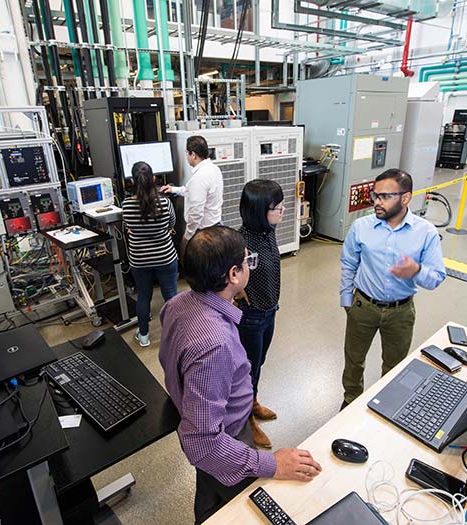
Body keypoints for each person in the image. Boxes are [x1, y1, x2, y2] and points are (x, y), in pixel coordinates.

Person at [159, 226, 322, 524]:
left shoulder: (177, 304)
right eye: (247, 261)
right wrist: (271, 463)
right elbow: (205, 443)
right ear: (233, 274)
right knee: (239, 510)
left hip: (202, 420)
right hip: (227, 439)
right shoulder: (214, 344)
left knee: (208, 501)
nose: (250, 266)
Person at [339, 169, 446, 408]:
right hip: (362, 305)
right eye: (375, 195)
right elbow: (348, 263)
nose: (377, 202)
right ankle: (350, 400)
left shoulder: (425, 232)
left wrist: (417, 270)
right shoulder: (361, 227)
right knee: (354, 360)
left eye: (385, 196)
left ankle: (384, 404)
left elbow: (437, 277)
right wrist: (346, 298)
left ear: (405, 197)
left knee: (394, 364)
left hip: (401, 312)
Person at [236, 180, 284, 449]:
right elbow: (225, 279)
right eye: (277, 207)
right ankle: (246, 421)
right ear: (257, 211)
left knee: (259, 363)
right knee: (247, 369)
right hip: (251, 316)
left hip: (270, 311)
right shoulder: (239, 242)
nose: (283, 210)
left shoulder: (269, 231)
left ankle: (253, 402)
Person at [122, 161, 179, 347]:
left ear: (132, 180)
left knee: (144, 296)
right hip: (165, 257)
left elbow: (129, 228)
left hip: (139, 261)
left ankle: (144, 336)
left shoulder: (126, 206)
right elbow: (172, 222)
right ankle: (177, 335)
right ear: (154, 179)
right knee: (171, 296)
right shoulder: (164, 202)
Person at [162, 135, 223, 246]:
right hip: (215, 226)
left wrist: (187, 236)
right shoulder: (214, 169)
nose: (186, 156)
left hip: (203, 233)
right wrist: (173, 189)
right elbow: (193, 191)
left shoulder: (199, 177)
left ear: (193, 155)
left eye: (187, 153)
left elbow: (196, 213)